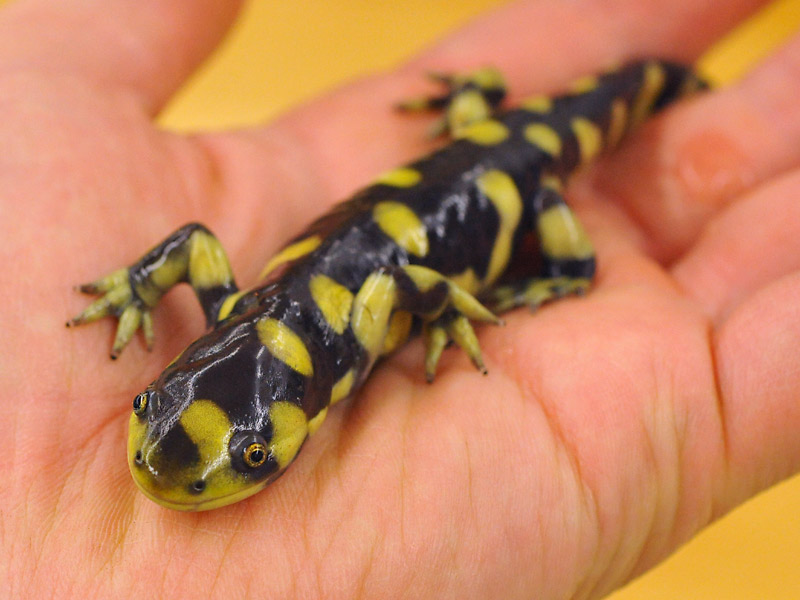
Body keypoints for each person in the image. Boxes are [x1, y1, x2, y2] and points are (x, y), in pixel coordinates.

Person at [1, 0, 799, 597]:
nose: (150, 466)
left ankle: (591, 210)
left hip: (514, 177)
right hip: (464, 163)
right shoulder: (262, 320)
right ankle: (485, 104)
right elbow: (203, 247)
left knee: (542, 185)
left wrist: (452, 305)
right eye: (252, 453)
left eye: (253, 455)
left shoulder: (310, 324)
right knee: (490, 155)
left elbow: (363, 275)